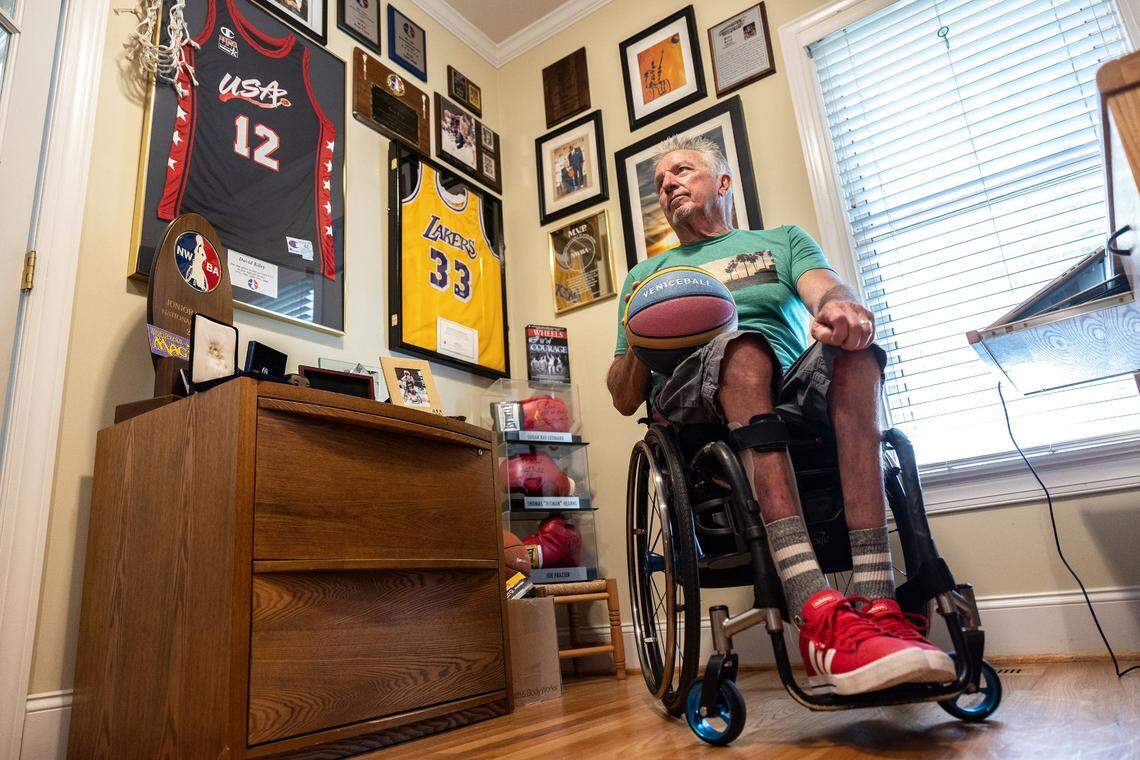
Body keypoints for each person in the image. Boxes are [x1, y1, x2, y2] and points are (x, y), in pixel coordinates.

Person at [607, 134, 954, 696]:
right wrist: (639, 332)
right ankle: (814, 606)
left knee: (858, 354)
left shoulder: (781, 241)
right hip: (698, 404)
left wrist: (838, 306)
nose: (668, 183)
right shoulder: (647, 278)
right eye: (660, 181)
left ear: (722, 183)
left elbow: (825, 288)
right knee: (741, 349)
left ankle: (879, 601)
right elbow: (624, 398)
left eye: (682, 170)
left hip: (791, 392)